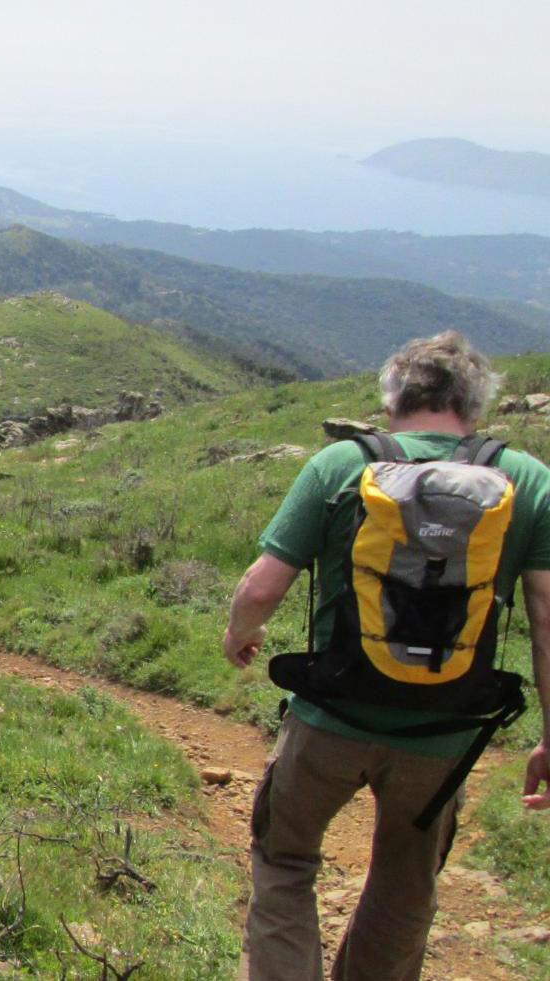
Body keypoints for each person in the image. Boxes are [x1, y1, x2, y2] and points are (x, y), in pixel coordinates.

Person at [223, 331, 550, 981]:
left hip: (330, 720)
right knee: (405, 888)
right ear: (475, 403)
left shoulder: (341, 465)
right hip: (443, 736)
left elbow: (262, 585)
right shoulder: (526, 480)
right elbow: (547, 617)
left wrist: (239, 633)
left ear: (393, 395)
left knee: (285, 861)